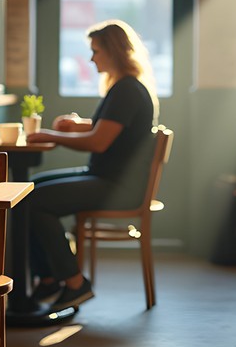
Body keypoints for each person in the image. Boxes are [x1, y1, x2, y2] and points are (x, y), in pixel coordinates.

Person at [24, 20, 159, 311]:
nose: (91, 58)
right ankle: (48, 279)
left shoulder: (126, 91)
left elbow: (99, 142)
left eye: (96, 51)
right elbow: (108, 129)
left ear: (113, 52)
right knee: (27, 191)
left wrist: (53, 136)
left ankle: (73, 283)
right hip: (107, 178)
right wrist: (76, 126)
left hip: (116, 187)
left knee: (33, 201)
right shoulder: (127, 87)